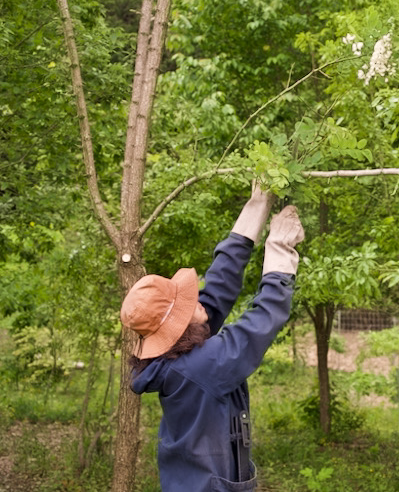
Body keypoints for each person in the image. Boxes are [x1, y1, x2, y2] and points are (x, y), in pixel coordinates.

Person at [120, 185, 304, 491]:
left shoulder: (177, 352)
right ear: (177, 324)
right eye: (186, 303)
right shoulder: (200, 367)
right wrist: (280, 250)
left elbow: (218, 287)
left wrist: (258, 202)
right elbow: (261, 322)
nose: (198, 298)